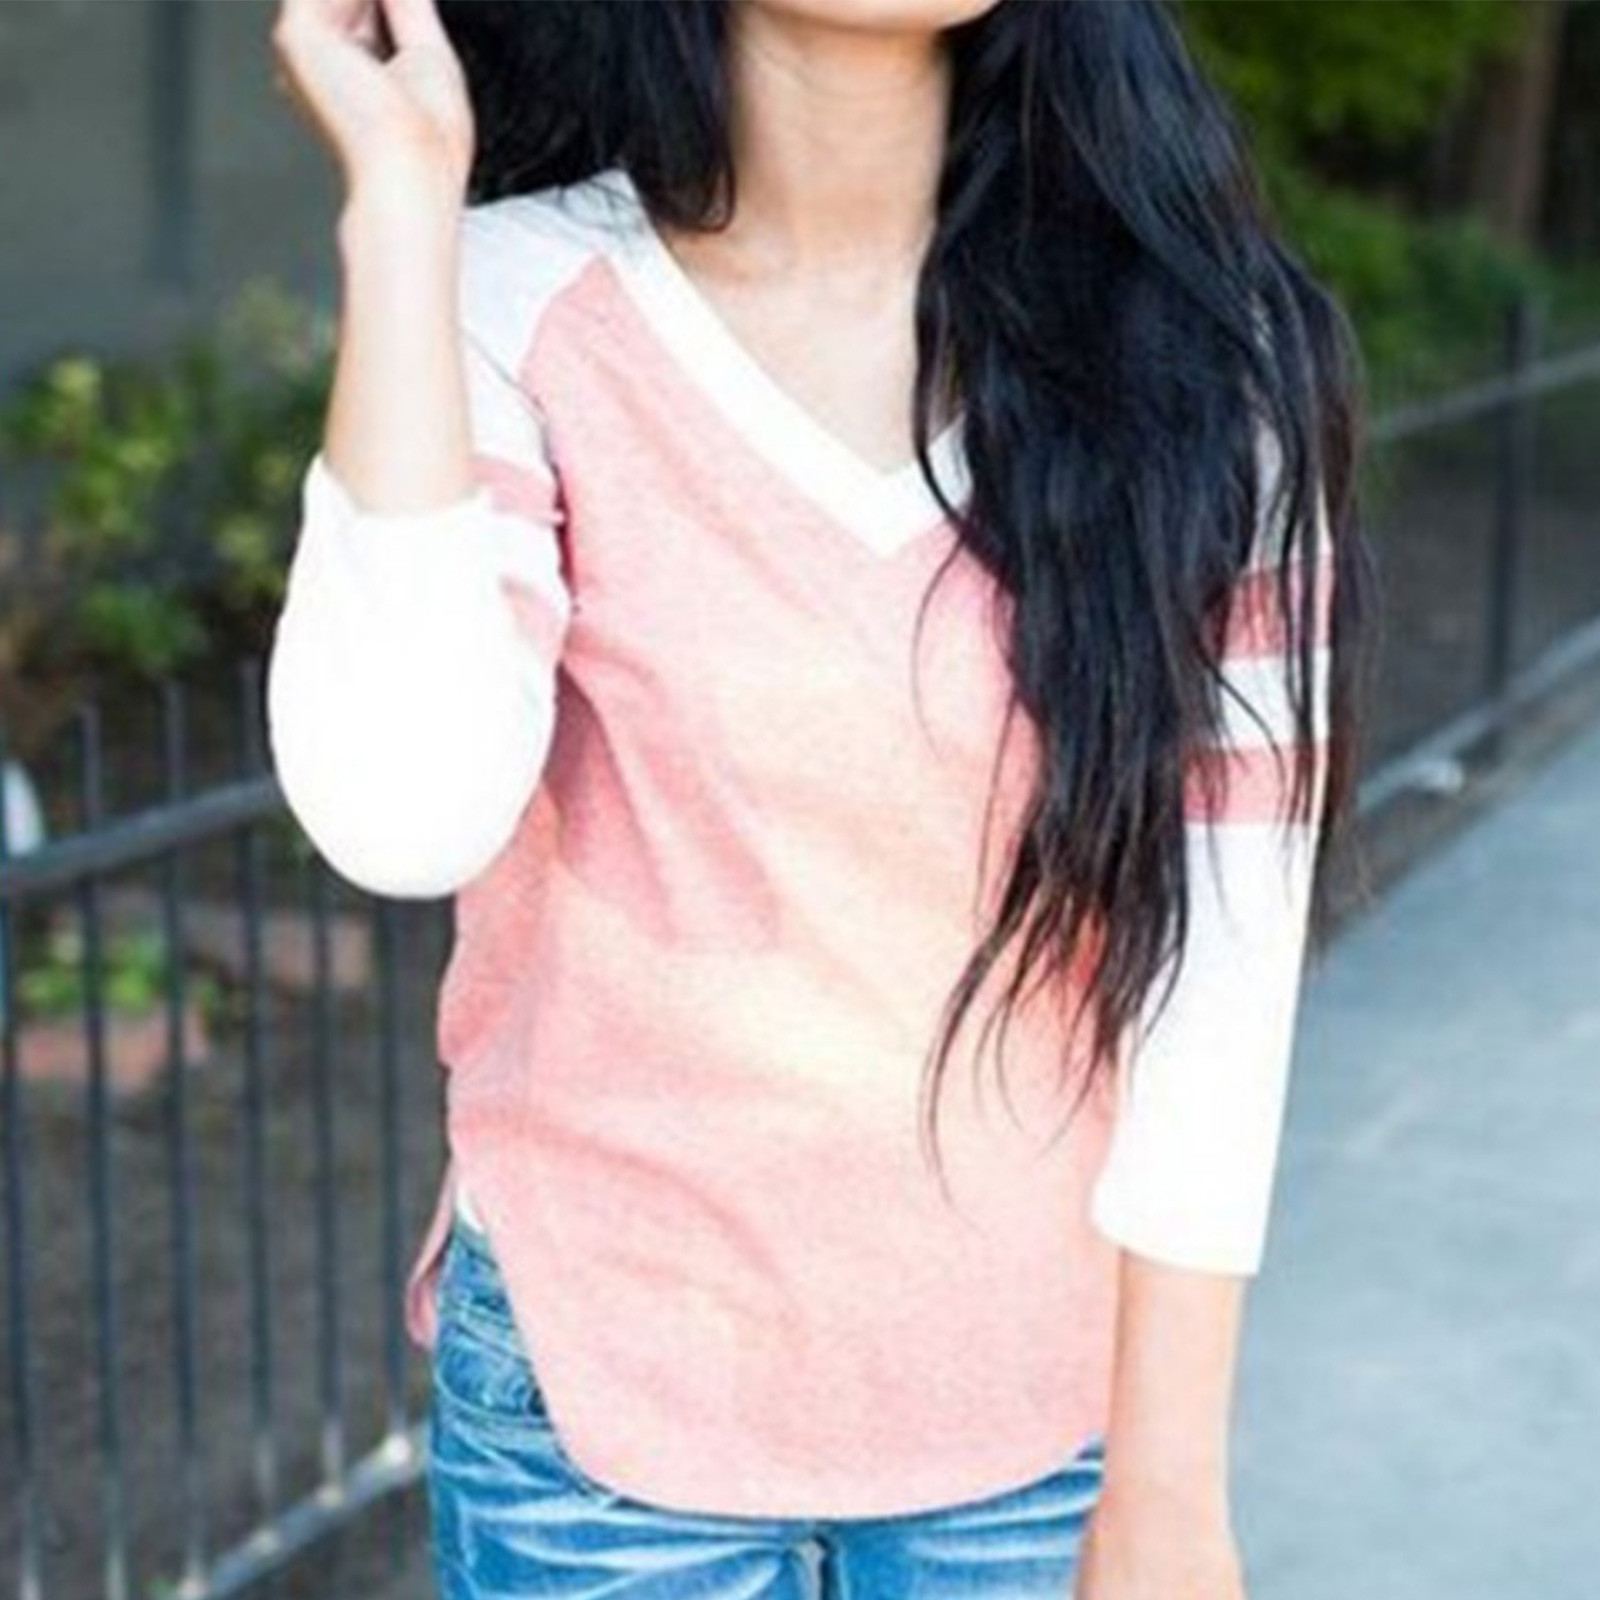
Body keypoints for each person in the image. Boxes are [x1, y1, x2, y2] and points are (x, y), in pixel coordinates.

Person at [265, 0, 1376, 1594]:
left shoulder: (1206, 355)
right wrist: (398, 207)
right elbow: (404, 811)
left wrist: (1169, 1486)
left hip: (1031, 1434)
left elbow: (1222, 972)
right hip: (603, 1424)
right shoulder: (515, 296)